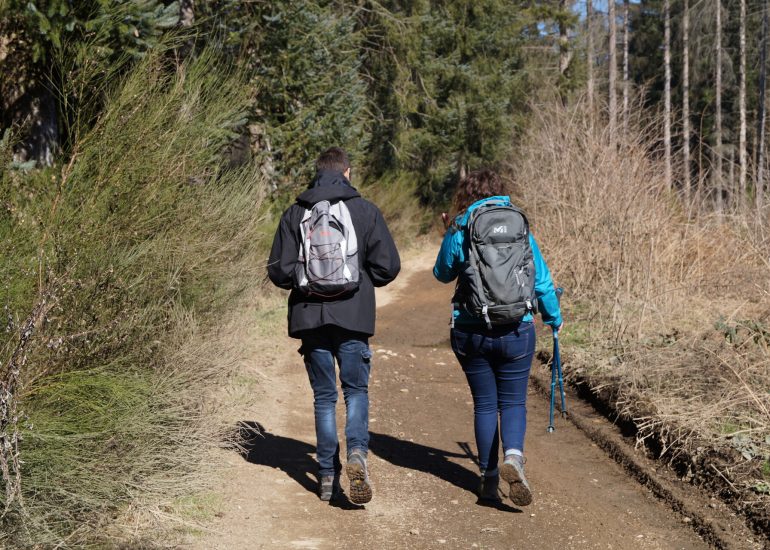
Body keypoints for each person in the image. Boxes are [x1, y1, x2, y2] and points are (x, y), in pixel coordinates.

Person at [267, 147, 401, 504]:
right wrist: (359, 280)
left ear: (317, 172)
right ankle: (357, 454)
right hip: (354, 317)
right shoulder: (364, 210)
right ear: (347, 172)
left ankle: (327, 476)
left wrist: (304, 280)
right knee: (355, 392)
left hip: (310, 318)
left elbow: (278, 271)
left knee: (324, 398)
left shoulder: (296, 212)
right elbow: (389, 266)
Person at [433, 169, 562, 506]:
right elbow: (542, 279)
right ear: (500, 192)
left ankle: (489, 477)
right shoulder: (519, 224)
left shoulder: (463, 225)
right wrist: (553, 317)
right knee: (513, 402)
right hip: (517, 329)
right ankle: (514, 459)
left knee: (486, 404)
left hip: (471, 330)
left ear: (465, 194)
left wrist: (448, 230)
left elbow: (441, 272)